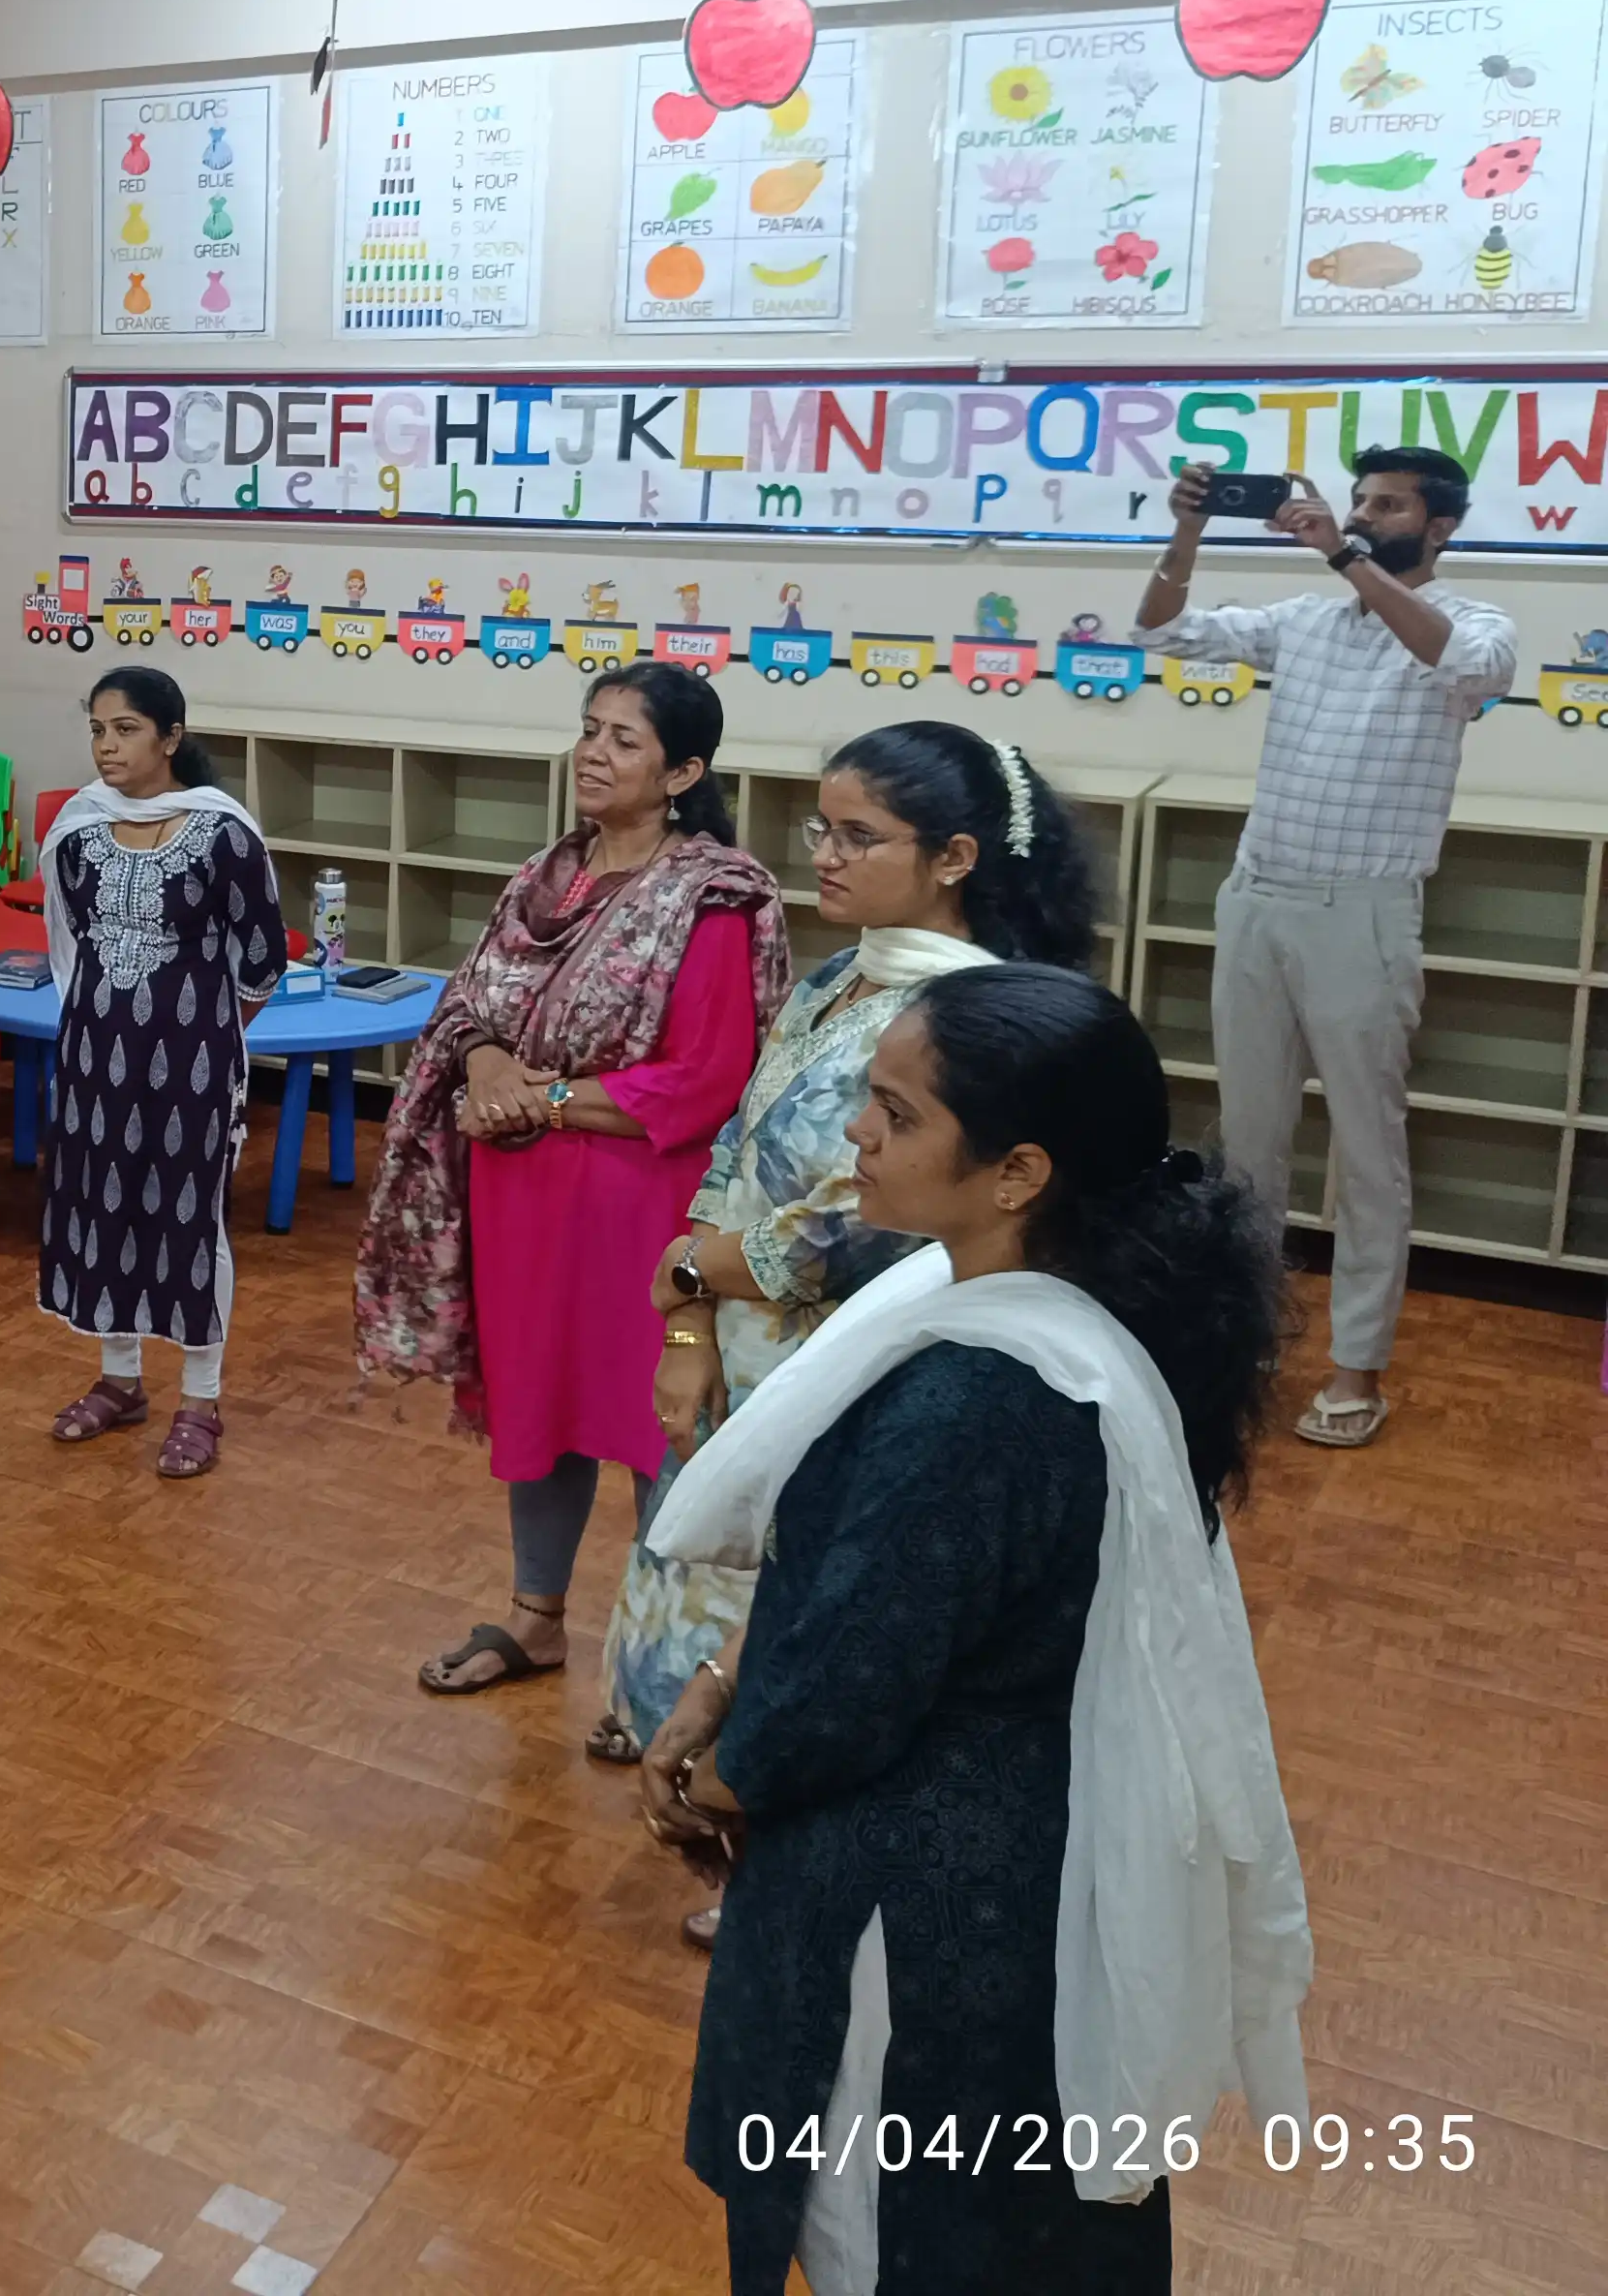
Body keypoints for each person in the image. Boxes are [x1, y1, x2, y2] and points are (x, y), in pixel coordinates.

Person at [645, 964, 1309, 2295]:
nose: (857, 1137)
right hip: (1018, 1849)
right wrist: (731, 1668)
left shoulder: (979, 1401)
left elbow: (849, 1683)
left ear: (1016, 1173)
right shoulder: (1082, 1308)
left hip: (922, 1907)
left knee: (888, 2233)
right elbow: (891, 1593)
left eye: (895, 1114)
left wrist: (721, 1775)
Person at [599, 719, 1102, 1771]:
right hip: (730, 1352)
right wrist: (687, 1328)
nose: (821, 855)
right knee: (690, 1587)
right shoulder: (836, 978)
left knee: (799, 1622)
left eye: (856, 836)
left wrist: (689, 1271)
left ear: (952, 859)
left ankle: (759, 1850)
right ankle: (692, 1789)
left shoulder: (976, 1018)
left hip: (844, 1372)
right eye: (819, 829)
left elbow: (862, 1231)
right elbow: (734, 1145)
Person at [359, 666, 789, 1697]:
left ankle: (660, 1666)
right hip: (523, 1200)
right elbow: (468, 1004)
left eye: (624, 741)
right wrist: (483, 1066)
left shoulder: (713, 898)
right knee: (540, 1406)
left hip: (638, 1202)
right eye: (588, 732)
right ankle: (534, 1619)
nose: (593, 754)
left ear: (682, 771)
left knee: (653, 1422)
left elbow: (702, 1078)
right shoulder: (544, 879)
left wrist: (540, 1102)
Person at [1135, 446, 1520, 1449]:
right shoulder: (1305, 620)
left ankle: (1356, 1370)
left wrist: (1347, 555)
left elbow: (1468, 669)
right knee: (1249, 1143)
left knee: (1367, 1153)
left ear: (1438, 527)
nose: (1362, 512)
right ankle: (1246, 1330)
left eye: (1387, 504)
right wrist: (1188, 529)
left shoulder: (1473, 623)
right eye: (1358, 499)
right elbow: (1163, 628)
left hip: (1364, 914)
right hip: (1257, 898)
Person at [36, 666, 290, 1479]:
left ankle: (201, 1400)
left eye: (127, 730)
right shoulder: (79, 830)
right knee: (103, 1203)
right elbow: (71, 944)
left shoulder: (223, 834)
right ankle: (120, 1381)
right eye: (98, 730)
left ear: (171, 738)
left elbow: (261, 961)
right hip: (91, 1057)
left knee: (188, 1215)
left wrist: (204, 1036)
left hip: (191, 1064)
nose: (108, 747)